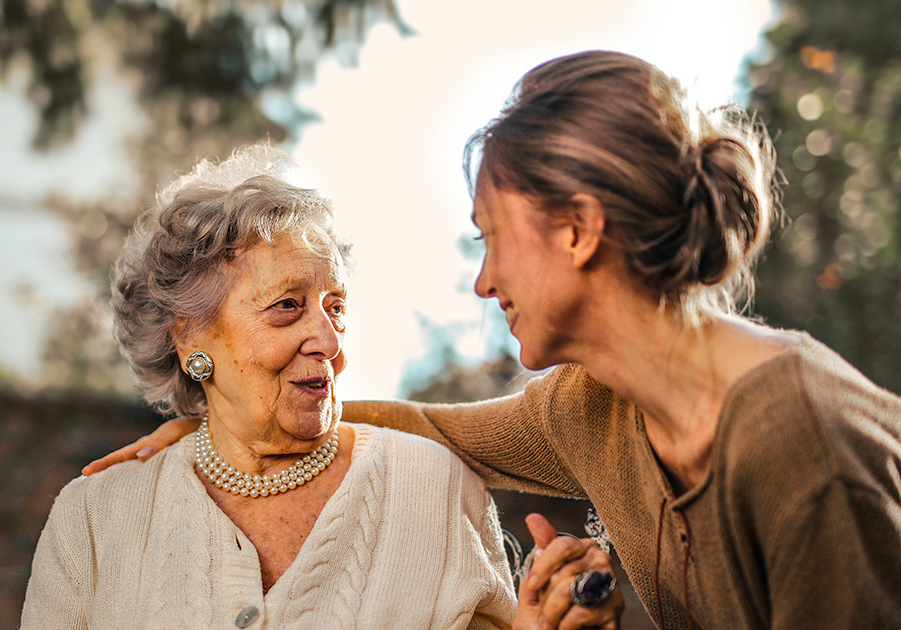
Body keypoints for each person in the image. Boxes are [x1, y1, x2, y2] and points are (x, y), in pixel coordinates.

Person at [85, 51, 901, 630]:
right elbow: (429, 429)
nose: (483, 281)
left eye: (491, 236)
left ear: (579, 230)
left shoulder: (805, 443)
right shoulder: (593, 406)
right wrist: (223, 419)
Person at [21, 145, 609, 629]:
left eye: (336, 308)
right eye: (286, 307)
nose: (329, 342)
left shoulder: (434, 488)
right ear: (190, 336)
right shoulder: (95, 520)